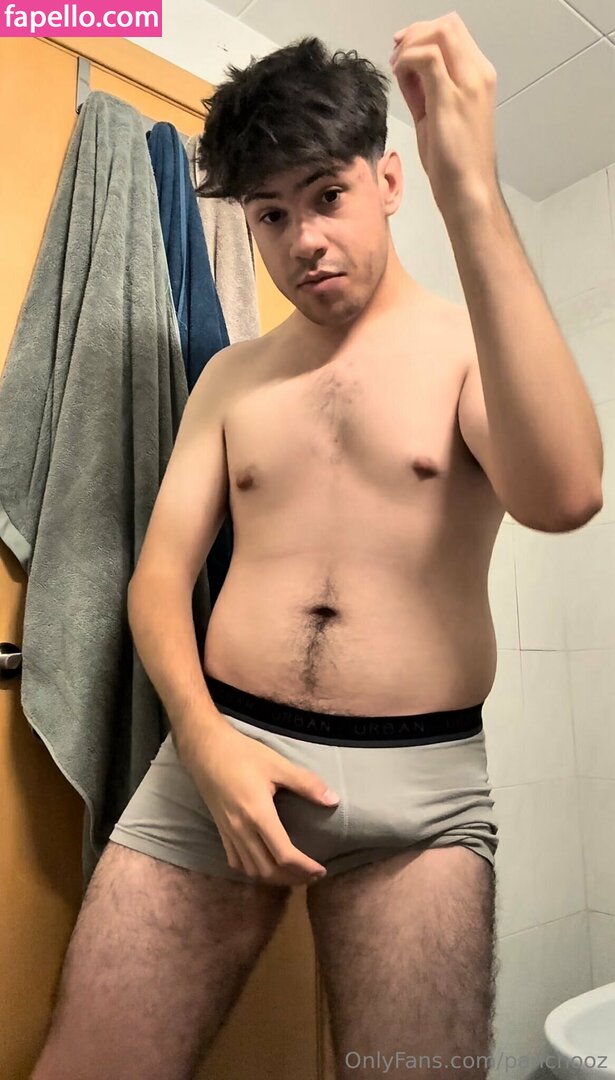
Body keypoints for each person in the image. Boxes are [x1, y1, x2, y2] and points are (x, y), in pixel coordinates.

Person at [31, 18, 603, 1080]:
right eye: (271, 214)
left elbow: (566, 496)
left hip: (420, 797)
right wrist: (202, 742)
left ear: (388, 180)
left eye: (327, 195)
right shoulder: (231, 379)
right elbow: (158, 581)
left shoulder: (468, 350)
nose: (303, 241)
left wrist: (472, 191)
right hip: (219, 755)